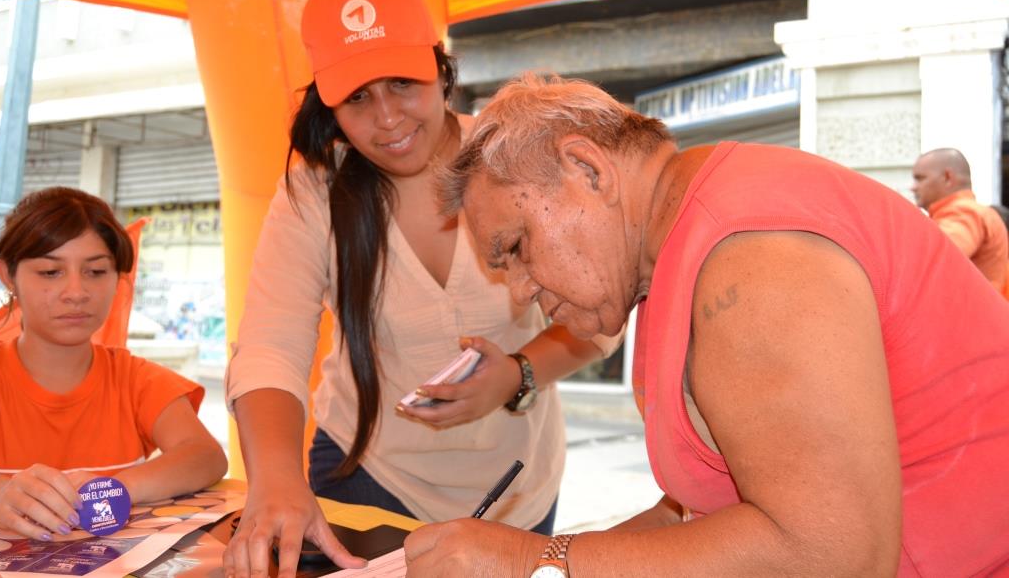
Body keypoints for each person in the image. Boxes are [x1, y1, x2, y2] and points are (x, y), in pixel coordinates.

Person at [406, 74, 1009, 577]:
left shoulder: (745, 259)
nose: (520, 291)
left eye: (516, 247)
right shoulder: (689, 245)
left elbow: (832, 554)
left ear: (587, 170)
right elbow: (697, 515)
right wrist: (543, 562)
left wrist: (536, 557)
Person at [222, 0, 619, 577]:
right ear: (328, 105)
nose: (387, 119)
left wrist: (518, 373)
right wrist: (275, 481)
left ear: (441, 69)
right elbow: (271, 345)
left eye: (403, 83)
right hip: (368, 474)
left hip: (515, 488)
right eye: (357, 97)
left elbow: (601, 311)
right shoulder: (312, 192)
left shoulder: (517, 159)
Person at [0, 187, 227, 541]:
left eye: (96, 272)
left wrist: (114, 487)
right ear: (8, 276)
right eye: (51, 272)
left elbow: (205, 456)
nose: (76, 292)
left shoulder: (135, 379)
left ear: (119, 279)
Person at [911, 147, 1009, 291]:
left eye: (920, 178)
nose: (913, 187)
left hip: (972, 312)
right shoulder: (969, 211)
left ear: (947, 178)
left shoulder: (964, 212)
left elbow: (934, 258)